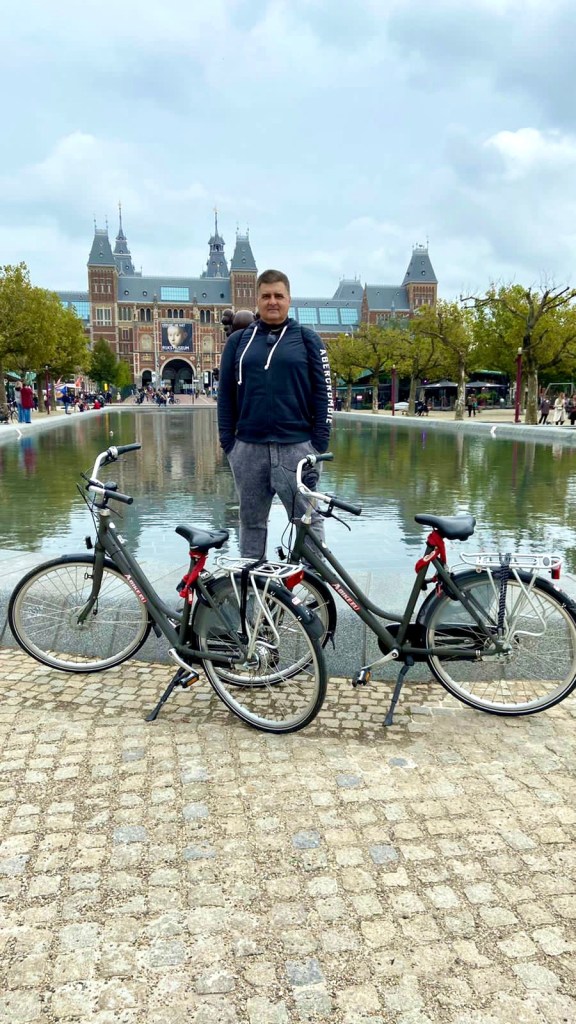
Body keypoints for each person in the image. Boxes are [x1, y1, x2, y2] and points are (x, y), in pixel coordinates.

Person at [218, 269, 333, 560]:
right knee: (251, 523)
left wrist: (318, 445)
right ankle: (253, 583)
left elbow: (325, 394)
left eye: (278, 296)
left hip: (297, 448)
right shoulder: (237, 342)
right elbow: (225, 395)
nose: (273, 301)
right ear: (257, 300)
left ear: (289, 299)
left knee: (308, 521)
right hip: (248, 449)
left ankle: (312, 582)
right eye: (266, 296)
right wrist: (229, 444)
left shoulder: (308, 340)